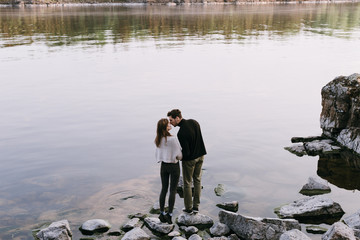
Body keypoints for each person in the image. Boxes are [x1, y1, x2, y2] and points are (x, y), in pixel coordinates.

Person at [167, 109, 207, 214]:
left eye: (171, 120)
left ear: (177, 118)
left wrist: (177, 156)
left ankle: (188, 208)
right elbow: (199, 139)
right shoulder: (194, 122)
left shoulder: (181, 133)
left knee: (187, 183)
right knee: (197, 180)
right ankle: (196, 207)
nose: (170, 122)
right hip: (201, 155)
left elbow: (187, 153)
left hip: (190, 161)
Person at [155, 118, 182, 224]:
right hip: (174, 166)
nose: (170, 124)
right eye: (168, 123)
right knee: (173, 190)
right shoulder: (173, 139)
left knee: (164, 189)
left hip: (163, 166)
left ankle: (161, 213)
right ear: (165, 127)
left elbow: (158, 154)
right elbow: (179, 155)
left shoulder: (158, 138)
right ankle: (169, 214)